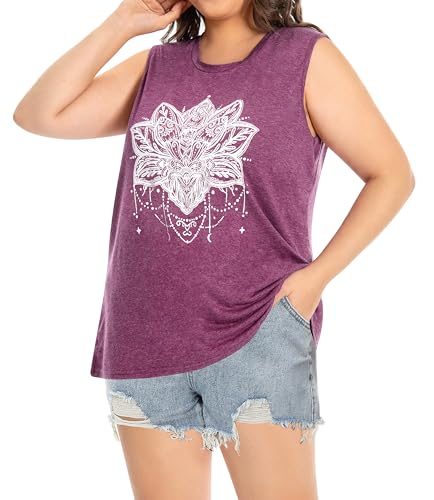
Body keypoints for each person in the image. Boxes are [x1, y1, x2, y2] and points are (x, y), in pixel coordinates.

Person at [13, 1, 415, 499]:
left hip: (259, 330)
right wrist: (122, 23)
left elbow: (391, 175)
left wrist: (314, 280)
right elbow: (38, 114)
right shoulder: (157, 66)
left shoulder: (305, 57)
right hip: (143, 339)